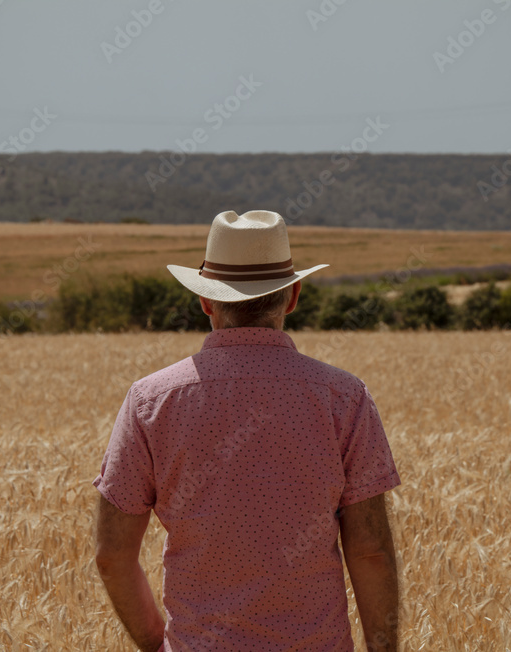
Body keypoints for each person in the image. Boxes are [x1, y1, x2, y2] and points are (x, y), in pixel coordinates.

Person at [93, 209, 401, 651]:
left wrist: (154, 644)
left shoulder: (151, 401)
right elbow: (371, 552)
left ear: (205, 301)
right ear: (293, 296)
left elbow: (112, 556)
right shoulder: (343, 397)